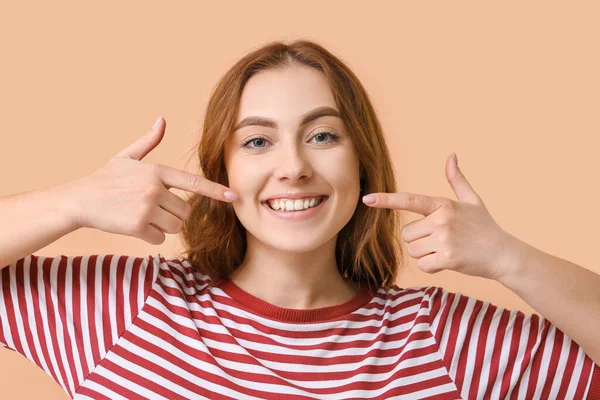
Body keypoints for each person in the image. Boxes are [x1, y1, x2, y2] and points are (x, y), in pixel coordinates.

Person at [1, 39, 598, 400]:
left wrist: (507, 257)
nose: (293, 167)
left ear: (362, 161)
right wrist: (70, 202)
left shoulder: (442, 340)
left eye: (321, 135)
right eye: (257, 142)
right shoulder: (126, 310)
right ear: (222, 169)